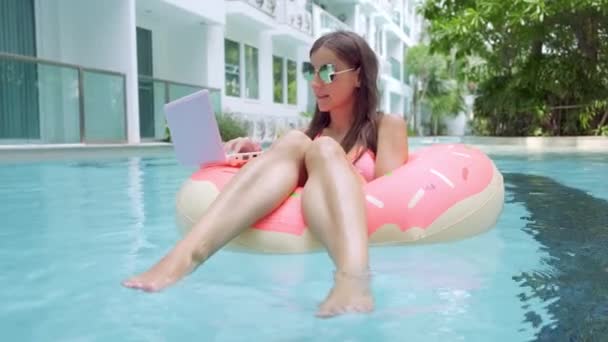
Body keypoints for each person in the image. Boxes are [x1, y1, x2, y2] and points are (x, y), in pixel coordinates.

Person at [122, 30, 409, 318]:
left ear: (359, 76)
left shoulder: (385, 127)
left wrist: (334, 158)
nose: (315, 82)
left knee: (323, 148)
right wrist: (251, 153)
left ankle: (353, 280)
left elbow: (392, 194)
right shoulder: (309, 136)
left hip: (350, 210)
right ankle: (184, 256)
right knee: (296, 140)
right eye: (311, 71)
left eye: (328, 71)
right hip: (314, 189)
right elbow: (283, 181)